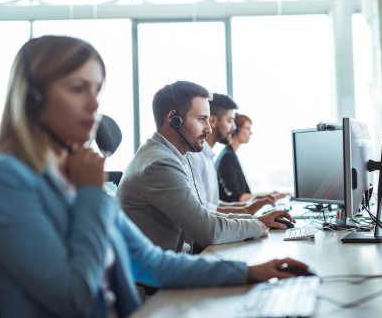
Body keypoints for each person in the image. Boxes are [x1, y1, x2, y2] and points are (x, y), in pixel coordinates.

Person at [0, 36, 308, 318]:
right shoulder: (5, 179)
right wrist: (91, 194)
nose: (94, 105)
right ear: (32, 100)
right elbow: (72, 298)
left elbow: (151, 262)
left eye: (97, 90)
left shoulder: (74, 178)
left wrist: (249, 272)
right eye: (78, 89)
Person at [115, 81, 294, 254]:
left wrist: (255, 219)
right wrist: (256, 225)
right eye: (202, 119)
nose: (209, 129)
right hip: (156, 280)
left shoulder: (162, 155)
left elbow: (202, 215)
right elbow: (209, 231)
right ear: (174, 120)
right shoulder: (160, 165)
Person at [187, 93, 275, 214]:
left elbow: (214, 204)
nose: (234, 128)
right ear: (212, 120)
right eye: (230, 121)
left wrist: (249, 208)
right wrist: (253, 219)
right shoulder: (195, 157)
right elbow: (202, 210)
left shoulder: (209, 156)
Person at [216, 113, 288, 203]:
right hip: (233, 213)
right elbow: (237, 198)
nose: (251, 132)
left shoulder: (231, 155)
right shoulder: (227, 157)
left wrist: (269, 195)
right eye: (248, 128)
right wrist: (269, 197)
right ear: (236, 129)